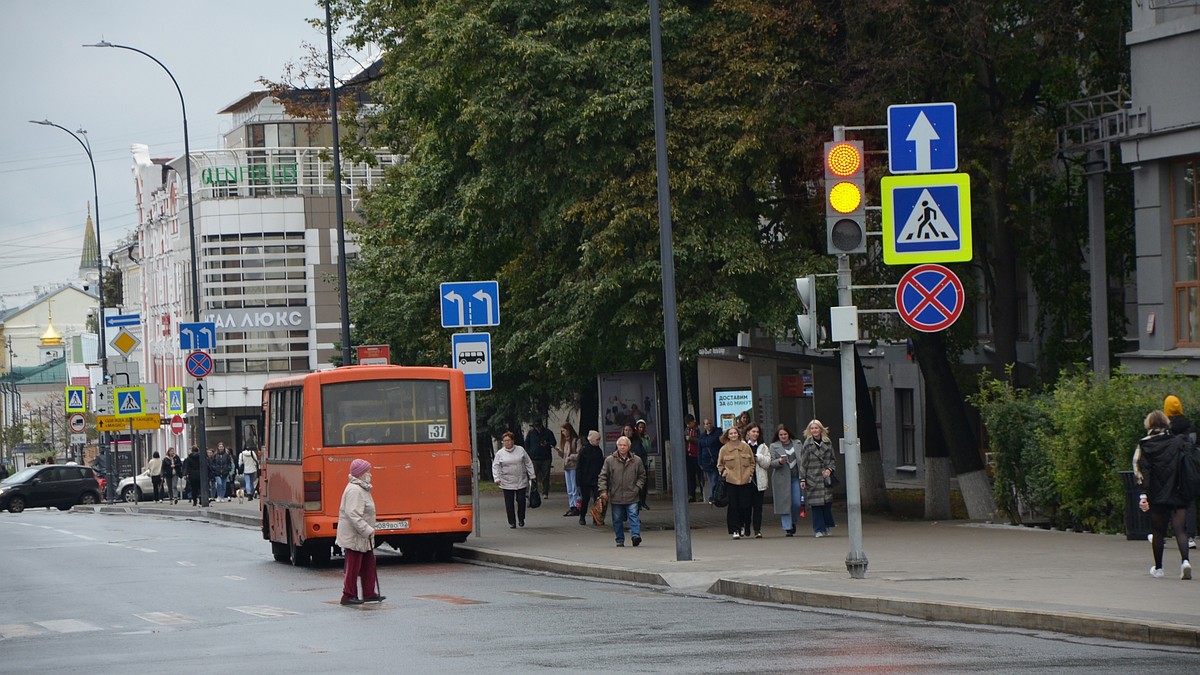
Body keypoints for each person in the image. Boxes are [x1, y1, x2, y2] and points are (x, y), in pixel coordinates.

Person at [1134, 410, 1193, 579]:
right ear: (1167, 424)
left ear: (1149, 425)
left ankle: (1159, 568)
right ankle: (1185, 562)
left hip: (1157, 494)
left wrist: (1143, 495)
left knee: (1158, 531)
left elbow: (1141, 471)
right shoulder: (1178, 442)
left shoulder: (1145, 445)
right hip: (1178, 492)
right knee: (1180, 530)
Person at [337, 458, 384, 605]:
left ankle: (369, 593)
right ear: (361, 474)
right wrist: (367, 529)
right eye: (367, 471)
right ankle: (348, 595)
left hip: (362, 535)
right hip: (356, 535)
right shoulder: (355, 490)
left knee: (369, 563)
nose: (370, 474)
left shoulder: (362, 488)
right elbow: (353, 514)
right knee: (353, 565)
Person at [598, 435, 646, 547]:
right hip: (616, 495)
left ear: (629, 447)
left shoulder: (636, 460)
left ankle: (635, 536)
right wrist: (603, 491)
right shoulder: (610, 460)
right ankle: (619, 539)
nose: (622, 447)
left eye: (624, 445)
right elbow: (603, 476)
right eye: (620, 445)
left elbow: (642, 476)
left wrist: (637, 488)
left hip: (632, 494)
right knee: (617, 519)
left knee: (633, 516)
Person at [1164, 395, 1198, 550]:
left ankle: (1163, 533)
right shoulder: (1190, 427)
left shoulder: (1166, 428)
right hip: (1188, 468)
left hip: (1171, 469)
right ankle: (1190, 536)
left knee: (1165, 501)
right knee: (1189, 502)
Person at [799, 419, 837, 538]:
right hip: (813, 478)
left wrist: (829, 469)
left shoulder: (827, 442)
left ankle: (827, 525)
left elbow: (832, 459)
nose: (814, 430)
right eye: (812, 428)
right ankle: (818, 529)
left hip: (825, 479)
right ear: (809, 430)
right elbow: (803, 463)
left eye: (816, 428)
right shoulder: (807, 444)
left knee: (827, 504)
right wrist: (803, 479)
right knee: (816, 506)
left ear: (821, 429)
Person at [717, 425, 755, 539]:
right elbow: (720, 464)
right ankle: (734, 529)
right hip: (731, 481)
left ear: (739, 434)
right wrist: (724, 472)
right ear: (727, 436)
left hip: (745, 480)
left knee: (745, 505)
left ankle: (743, 525)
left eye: (735, 433)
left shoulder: (746, 447)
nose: (733, 435)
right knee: (733, 505)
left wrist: (750, 474)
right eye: (731, 433)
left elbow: (752, 462)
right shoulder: (724, 449)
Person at [492, 431, 535, 528]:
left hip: (521, 479)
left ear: (513, 441)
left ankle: (521, 518)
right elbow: (496, 466)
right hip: (507, 481)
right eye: (504, 441)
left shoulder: (520, 450)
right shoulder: (500, 453)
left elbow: (528, 462)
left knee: (521, 500)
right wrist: (497, 478)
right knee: (509, 502)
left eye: (508, 440)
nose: (506, 442)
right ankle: (512, 521)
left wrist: (532, 475)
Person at [767, 424, 803, 536]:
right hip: (781, 479)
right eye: (781, 435)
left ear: (789, 434)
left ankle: (793, 522)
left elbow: (803, 459)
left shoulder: (797, 443)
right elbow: (770, 462)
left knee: (796, 502)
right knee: (784, 503)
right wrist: (779, 462)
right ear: (778, 436)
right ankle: (787, 527)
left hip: (796, 477)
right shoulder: (773, 446)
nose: (783, 436)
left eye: (785, 434)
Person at [576, 430, 605, 526]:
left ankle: (596, 517)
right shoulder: (584, 450)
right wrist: (578, 481)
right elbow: (579, 466)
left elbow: (601, 465)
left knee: (598, 500)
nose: (598, 441)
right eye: (597, 439)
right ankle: (582, 516)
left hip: (596, 479)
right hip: (585, 479)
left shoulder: (599, 451)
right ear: (591, 439)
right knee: (585, 499)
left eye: (599, 440)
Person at [746, 423, 770, 538]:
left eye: (757, 432)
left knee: (758, 507)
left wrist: (758, 457)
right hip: (746, 481)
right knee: (745, 506)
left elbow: (767, 463)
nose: (755, 434)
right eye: (753, 431)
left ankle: (757, 529)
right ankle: (745, 527)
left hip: (759, 481)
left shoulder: (763, 447)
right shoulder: (744, 446)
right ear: (748, 433)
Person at [524, 420, 555, 497]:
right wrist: (529, 452)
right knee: (533, 475)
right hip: (534, 458)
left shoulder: (548, 432)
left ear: (541, 425)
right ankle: (534, 491)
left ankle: (545, 492)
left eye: (539, 426)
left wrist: (547, 444)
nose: (537, 428)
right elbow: (526, 443)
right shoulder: (531, 433)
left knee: (545, 476)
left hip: (546, 458)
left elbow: (554, 442)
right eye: (536, 426)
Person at [557, 422, 581, 517]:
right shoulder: (565, 441)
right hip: (567, 467)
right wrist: (560, 452)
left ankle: (576, 506)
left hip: (573, 466)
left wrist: (571, 457)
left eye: (564, 431)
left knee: (575, 488)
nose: (563, 433)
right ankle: (572, 505)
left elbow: (579, 454)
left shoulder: (576, 440)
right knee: (569, 488)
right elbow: (564, 455)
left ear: (569, 430)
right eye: (562, 431)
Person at [697, 418, 722, 503]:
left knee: (714, 479)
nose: (709, 425)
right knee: (710, 480)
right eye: (707, 424)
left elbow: (715, 442)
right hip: (706, 461)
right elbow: (699, 450)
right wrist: (700, 461)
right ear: (704, 426)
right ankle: (713, 496)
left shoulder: (717, 434)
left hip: (715, 460)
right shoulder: (702, 437)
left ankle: (712, 496)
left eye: (710, 423)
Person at [631, 420, 651, 509]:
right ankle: (638, 502)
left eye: (643, 427)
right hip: (636, 463)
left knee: (644, 483)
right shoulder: (635, 438)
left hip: (644, 462)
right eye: (640, 427)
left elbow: (648, 449)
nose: (641, 429)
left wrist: (646, 440)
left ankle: (643, 501)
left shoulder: (646, 438)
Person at [684, 415, 702, 502]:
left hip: (697, 455)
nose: (688, 426)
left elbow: (700, 441)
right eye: (687, 424)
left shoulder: (698, 430)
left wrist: (691, 439)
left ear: (693, 422)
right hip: (689, 455)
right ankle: (691, 494)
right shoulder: (687, 430)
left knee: (700, 475)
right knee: (690, 476)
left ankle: (703, 494)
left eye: (689, 423)